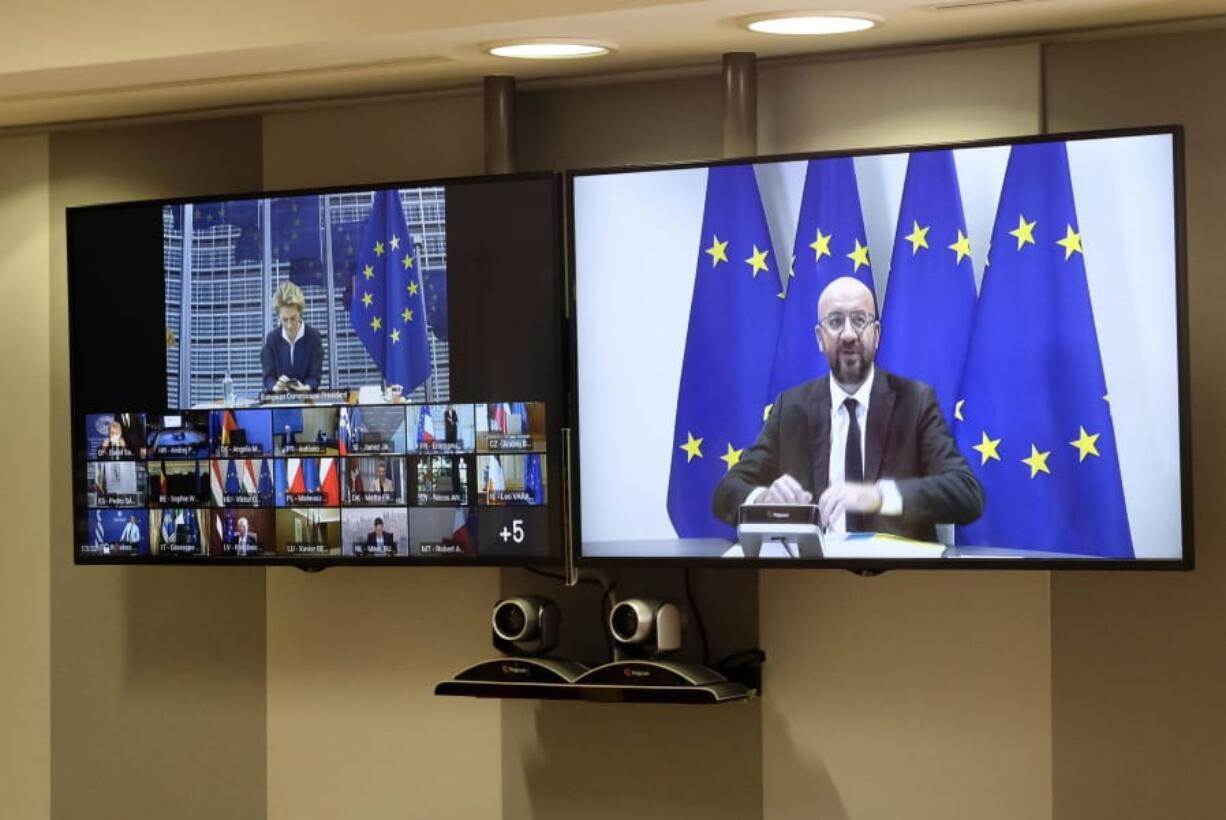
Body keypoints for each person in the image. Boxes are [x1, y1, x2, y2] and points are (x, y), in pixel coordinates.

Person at [713, 276, 984, 543]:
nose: (848, 334)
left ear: (876, 334)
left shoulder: (915, 401)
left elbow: (967, 493)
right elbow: (727, 492)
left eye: (859, 320)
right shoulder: (792, 409)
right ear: (820, 338)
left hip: (897, 579)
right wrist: (764, 499)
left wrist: (877, 496)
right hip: (814, 577)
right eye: (835, 322)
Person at [260, 281, 323, 393]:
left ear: (300, 312)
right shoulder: (271, 339)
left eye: (293, 318)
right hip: (280, 403)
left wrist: (305, 388)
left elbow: (315, 377)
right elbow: (268, 377)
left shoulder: (314, 337)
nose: (289, 325)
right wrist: (276, 387)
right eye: (284, 319)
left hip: (306, 402)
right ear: (278, 316)